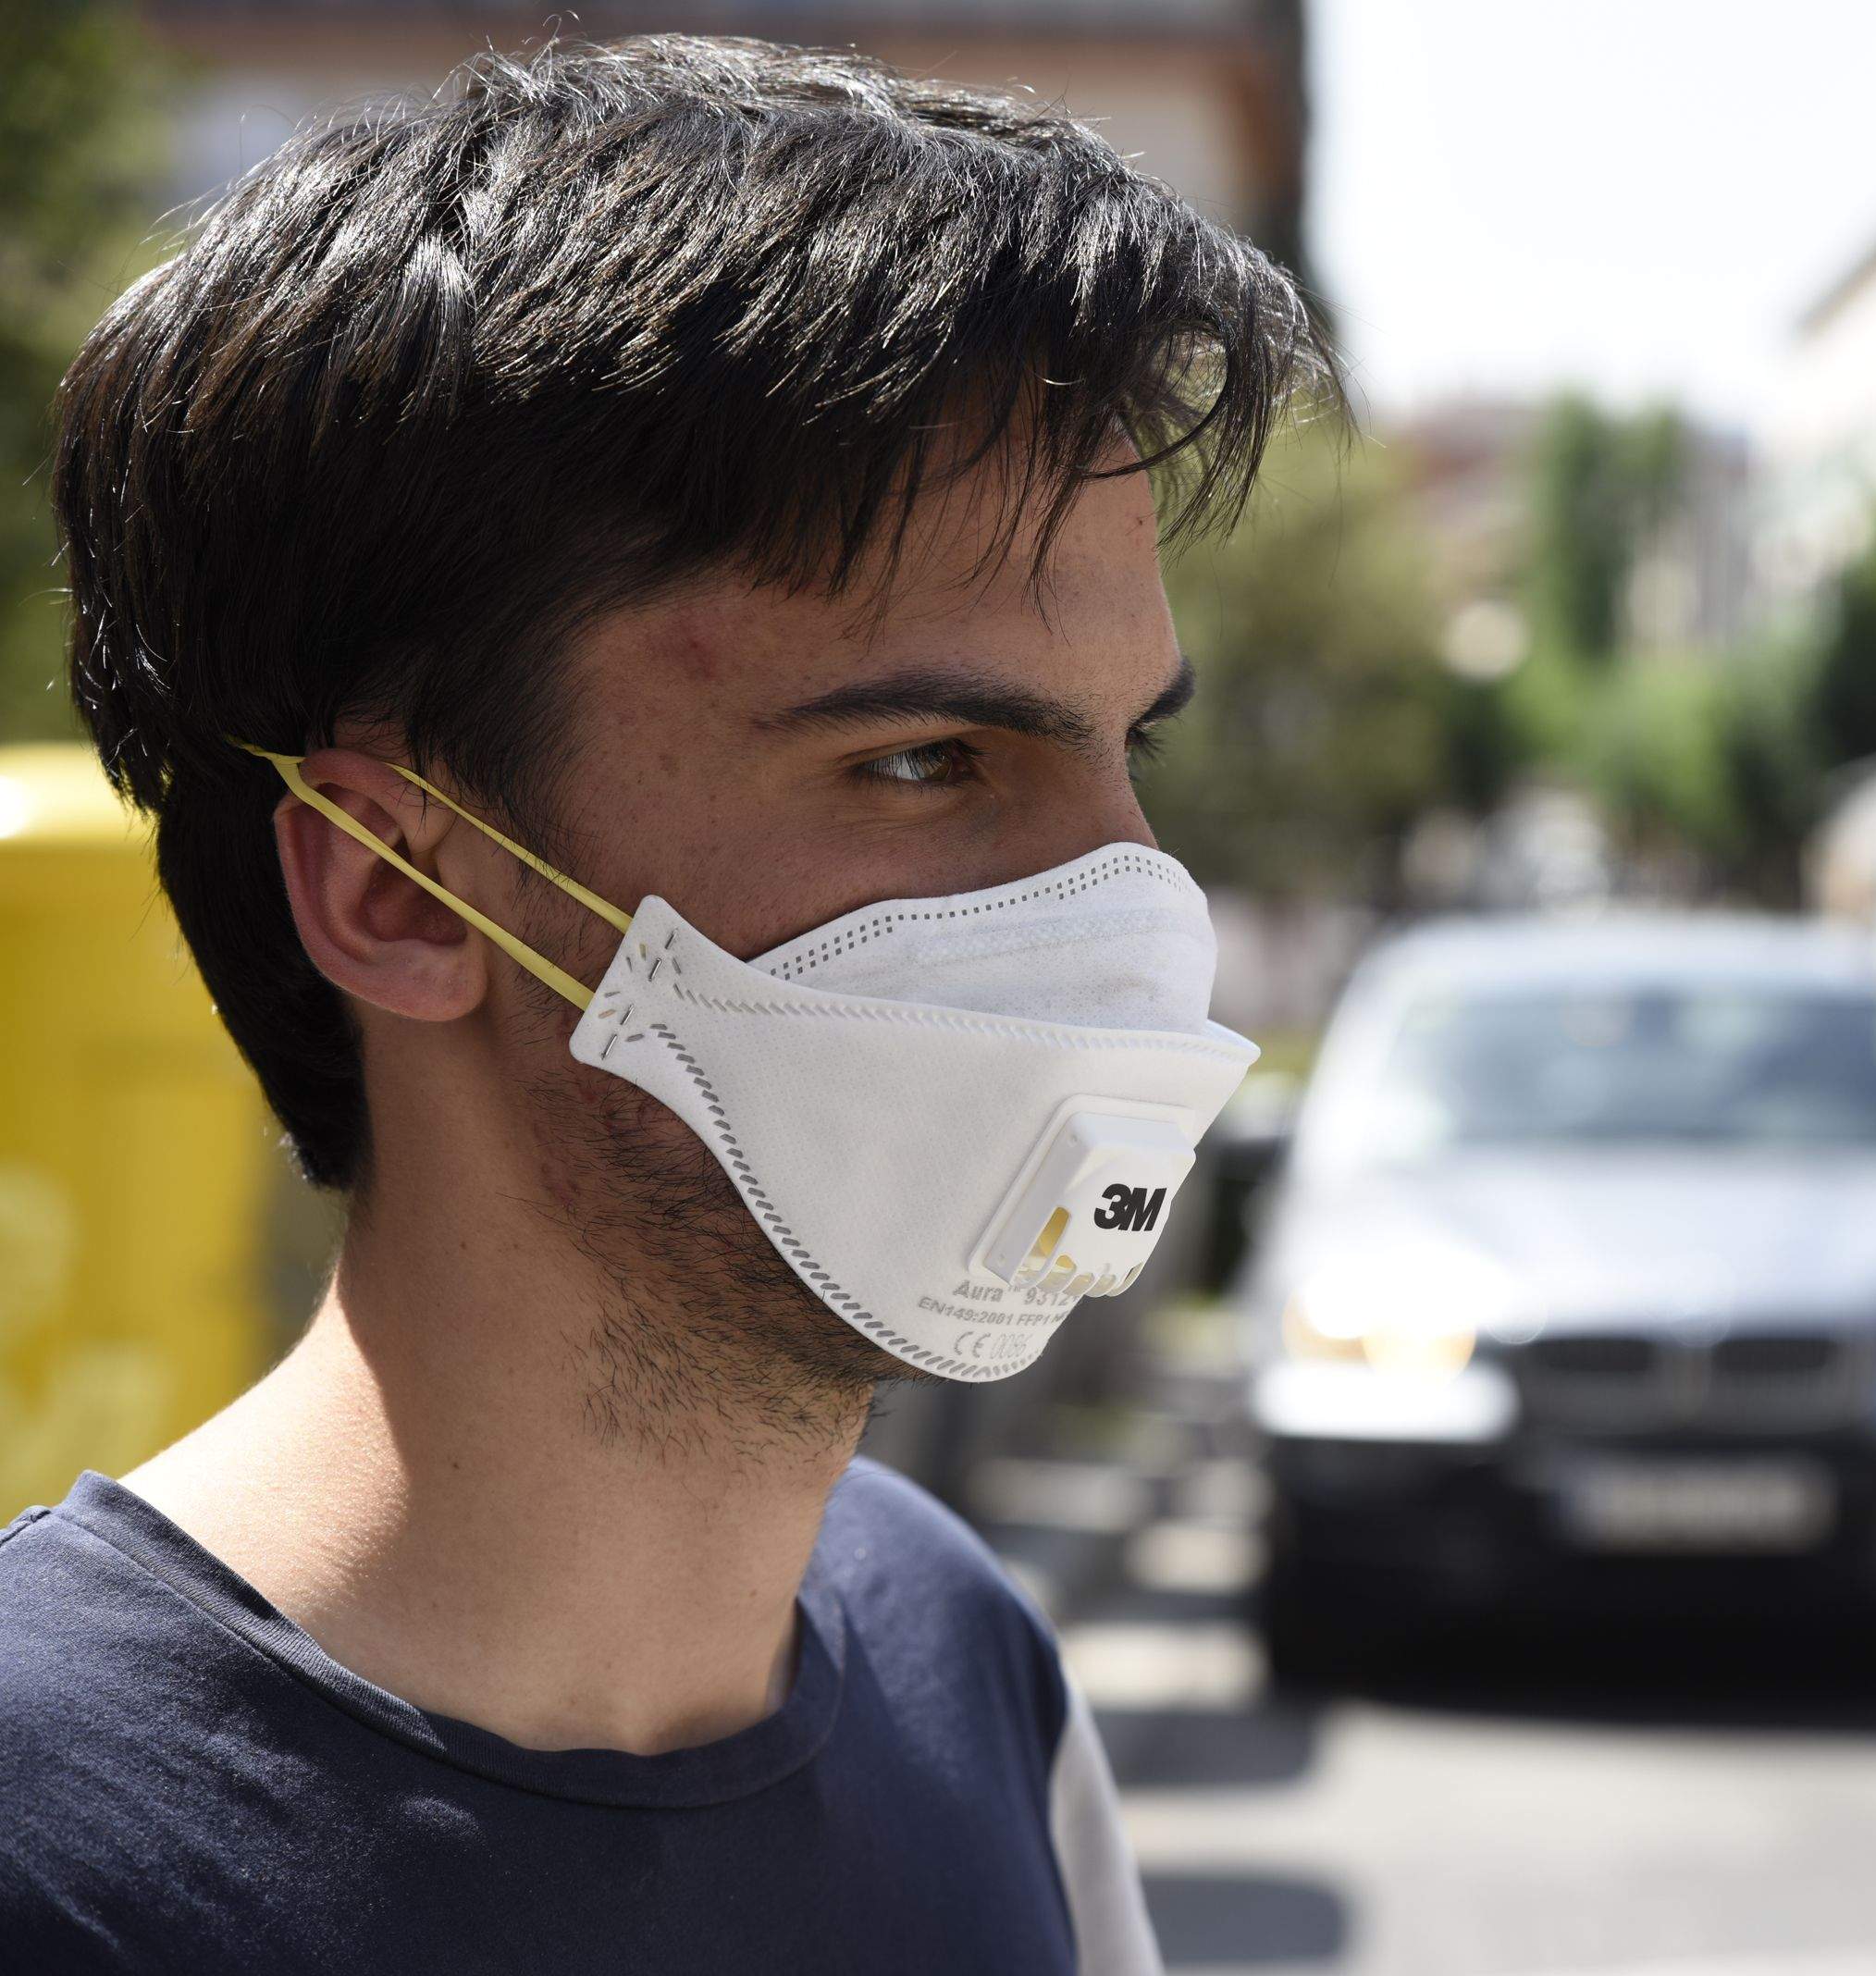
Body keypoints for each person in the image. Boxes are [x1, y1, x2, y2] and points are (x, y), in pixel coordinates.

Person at [0, 34, 1322, 1974]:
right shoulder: (53, 1845)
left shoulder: (963, 1669)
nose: (1124, 908)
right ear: (396, 884)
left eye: (1132, 756)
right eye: (930, 759)